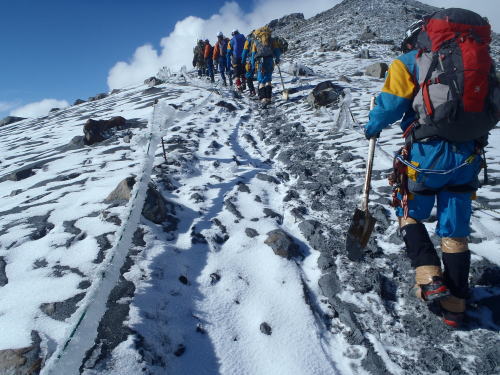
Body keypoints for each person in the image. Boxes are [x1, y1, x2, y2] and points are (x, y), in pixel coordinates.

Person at [364, 9, 498, 328]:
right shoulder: (483, 61)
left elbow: (390, 108)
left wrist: (371, 127)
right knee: (455, 227)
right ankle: (455, 307)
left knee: (408, 209)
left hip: (427, 155)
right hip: (468, 156)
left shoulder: (409, 61)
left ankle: (429, 277)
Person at [249, 26, 281, 104]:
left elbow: (253, 55)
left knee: (261, 80)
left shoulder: (255, 41)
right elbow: (277, 51)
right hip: (270, 60)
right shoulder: (272, 40)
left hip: (260, 62)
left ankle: (263, 99)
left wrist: (252, 65)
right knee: (268, 79)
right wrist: (277, 59)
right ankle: (269, 98)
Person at [242, 31, 256, 96]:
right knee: (262, 77)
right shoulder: (259, 40)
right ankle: (265, 95)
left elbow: (244, 52)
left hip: (251, 61)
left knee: (248, 77)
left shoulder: (248, 41)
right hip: (261, 60)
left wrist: (243, 61)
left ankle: (252, 91)